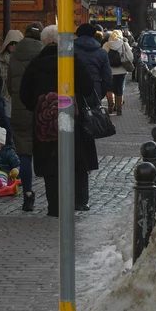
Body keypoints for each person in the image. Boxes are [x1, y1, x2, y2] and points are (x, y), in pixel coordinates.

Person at [20, 25, 99, 216]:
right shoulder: (72, 61)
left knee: (49, 162)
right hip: (72, 118)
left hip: (44, 122)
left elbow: (24, 94)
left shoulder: (35, 64)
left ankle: (54, 206)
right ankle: (79, 201)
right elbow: (88, 87)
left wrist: (41, 106)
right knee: (76, 156)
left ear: (44, 41)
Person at [8, 22, 42, 212]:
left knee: (24, 155)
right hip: (41, 109)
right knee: (46, 151)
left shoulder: (14, 54)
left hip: (19, 109)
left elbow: (9, 84)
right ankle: (54, 195)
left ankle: (28, 193)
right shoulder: (44, 51)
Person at [74, 23, 112, 102]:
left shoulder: (69, 50)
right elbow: (107, 77)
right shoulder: (101, 52)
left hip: (73, 91)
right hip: (94, 90)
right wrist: (100, 93)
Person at [103, 29, 135, 115]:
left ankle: (110, 102)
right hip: (121, 71)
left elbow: (102, 58)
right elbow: (131, 57)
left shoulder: (106, 45)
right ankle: (119, 108)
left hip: (109, 71)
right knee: (119, 89)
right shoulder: (124, 44)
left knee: (109, 88)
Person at [0, 30, 23, 115]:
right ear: (7, 44)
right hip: (4, 97)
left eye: (16, 43)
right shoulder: (0, 60)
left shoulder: (23, 59)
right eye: (11, 43)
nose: (14, 46)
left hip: (19, 96)